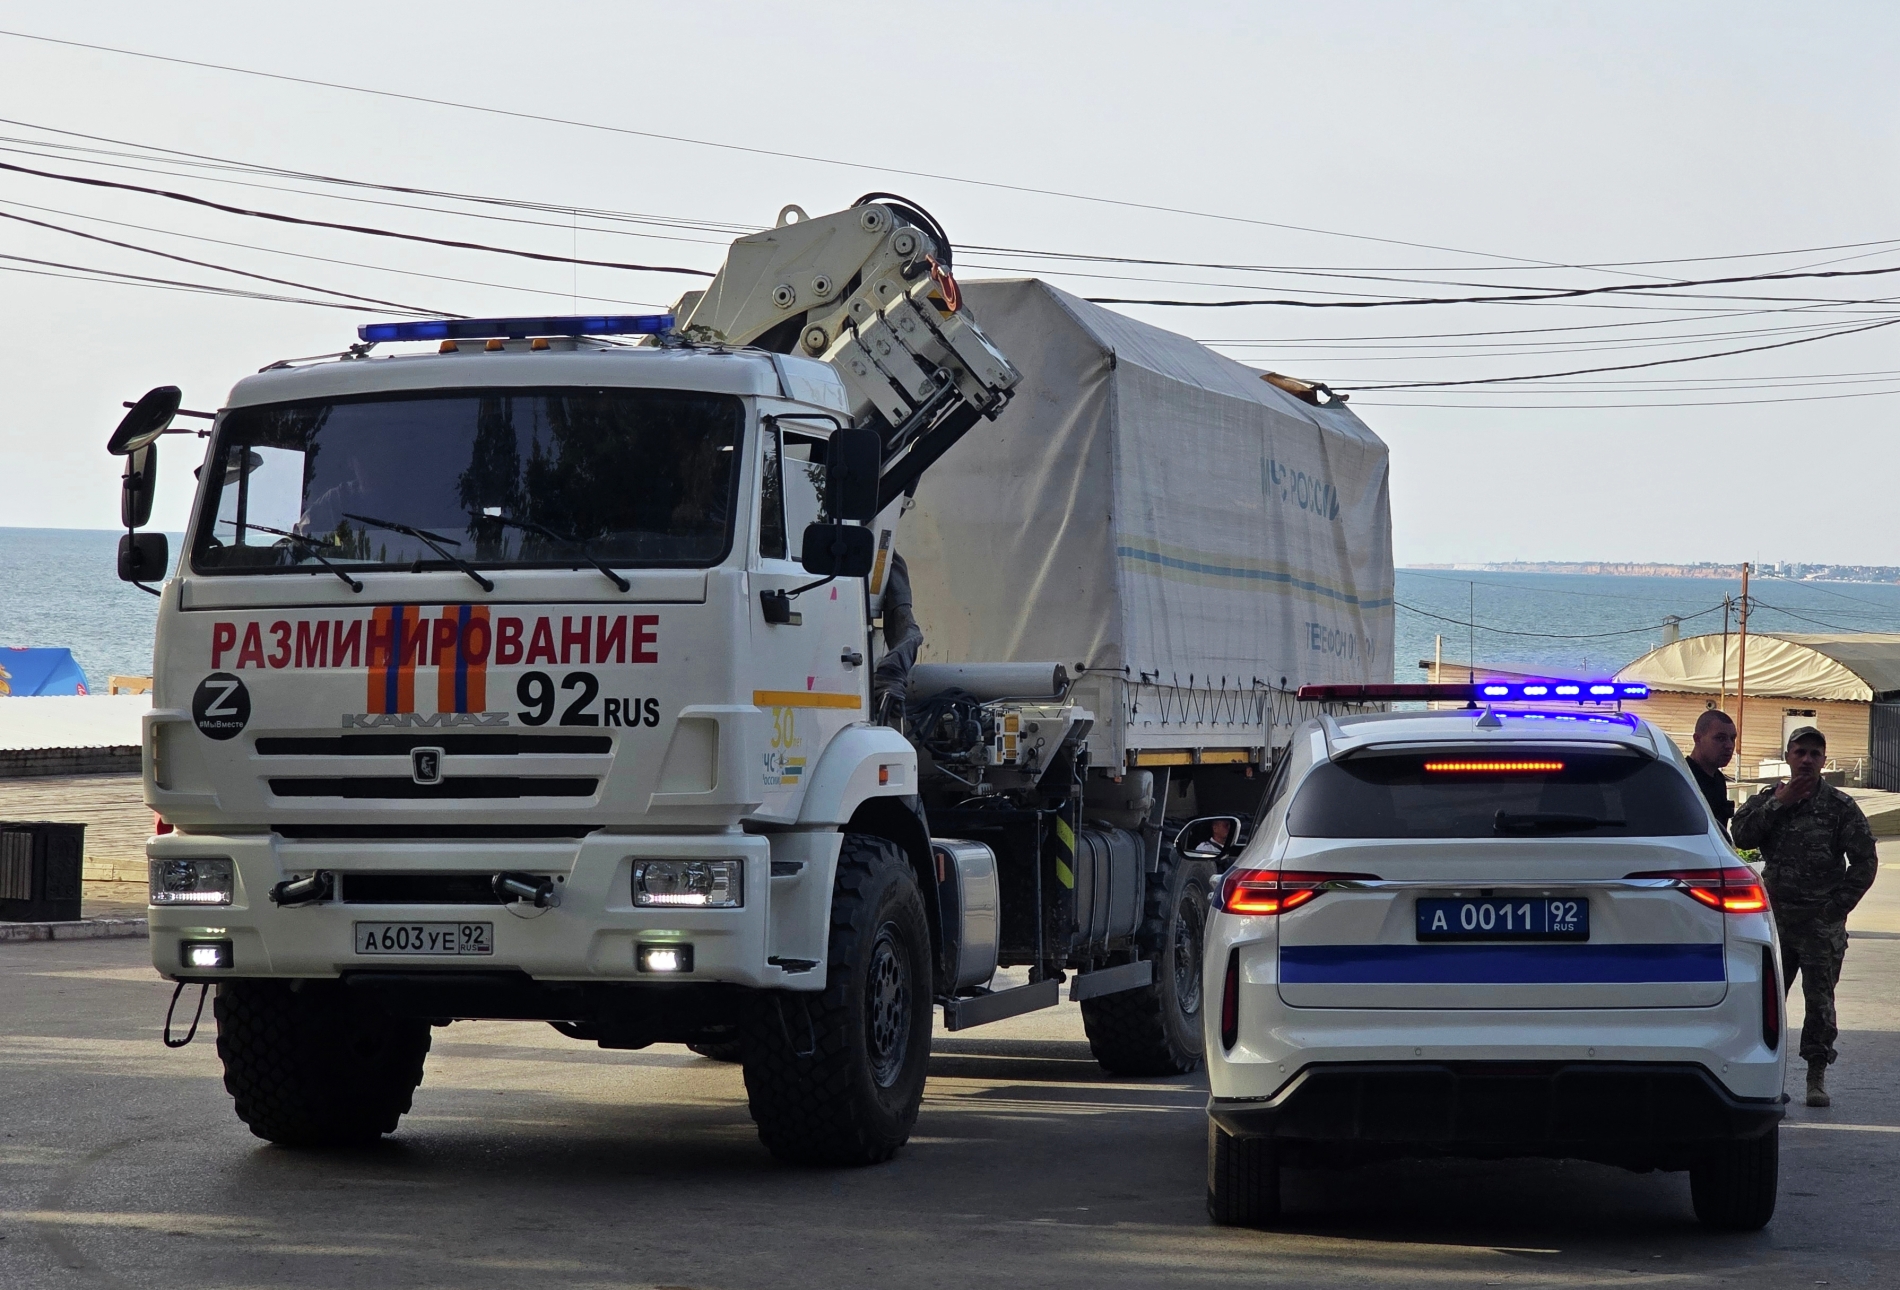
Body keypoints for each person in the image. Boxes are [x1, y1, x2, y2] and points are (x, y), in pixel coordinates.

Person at [1732, 726, 1879, 1107]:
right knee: (1766, 1003)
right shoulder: (1768, 800)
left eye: (1815, 753)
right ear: (1788, 756)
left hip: (1819, 924)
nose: (1807, 760)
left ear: (1824, 760)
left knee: (1820, 1004)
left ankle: (1816, 1076)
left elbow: (1864, 861)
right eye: (1800, 752)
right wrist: (1779, 802)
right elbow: (1741, 837)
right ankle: (1769, 1076)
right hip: (1775, 923)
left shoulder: (1840, 807)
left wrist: (1835, 909)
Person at [1686, 708, 1738, 839]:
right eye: (1720, 738)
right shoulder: (1684, 777)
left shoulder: (1718, 779)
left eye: (1732, 739)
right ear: (1697, 739)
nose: (1729, 746)